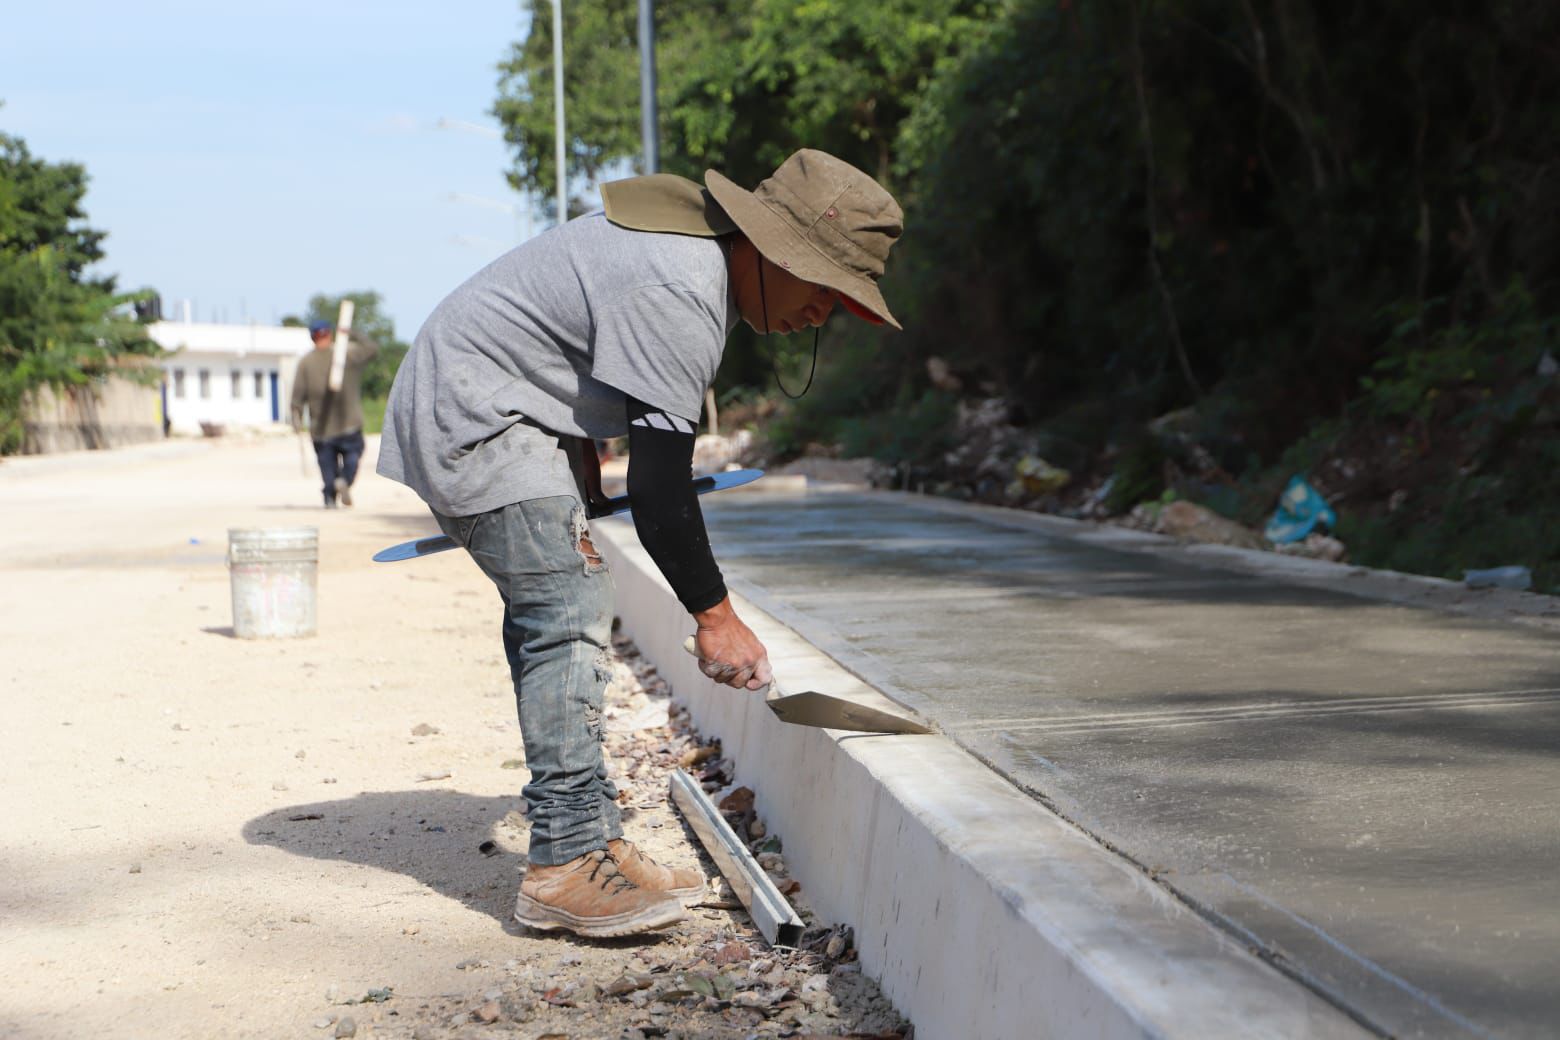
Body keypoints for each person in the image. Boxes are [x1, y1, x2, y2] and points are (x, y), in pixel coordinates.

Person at [377, 149, 904, 938]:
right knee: (566, 599)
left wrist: (577, 444)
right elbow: (660, 490)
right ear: (772, 252)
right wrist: (716, 616)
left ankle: (594, 843)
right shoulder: (683, 285)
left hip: (504, 405)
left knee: (557, 595)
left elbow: (562, 339)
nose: (820, 315)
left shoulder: (693, 266)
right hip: (475, 415)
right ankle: (565, 863)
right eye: (824, 290)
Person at [290, 319, 379, 508]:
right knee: (352, 459)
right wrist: (351, 332)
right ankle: (345, 482)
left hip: (322, 429)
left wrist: (296, 420)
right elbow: (372, 349)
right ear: (329, 334)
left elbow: (297, 397)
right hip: (349, 424)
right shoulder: (346, 355)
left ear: (312, 338)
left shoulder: (306, 363)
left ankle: (330, 497)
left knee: (327, 467)